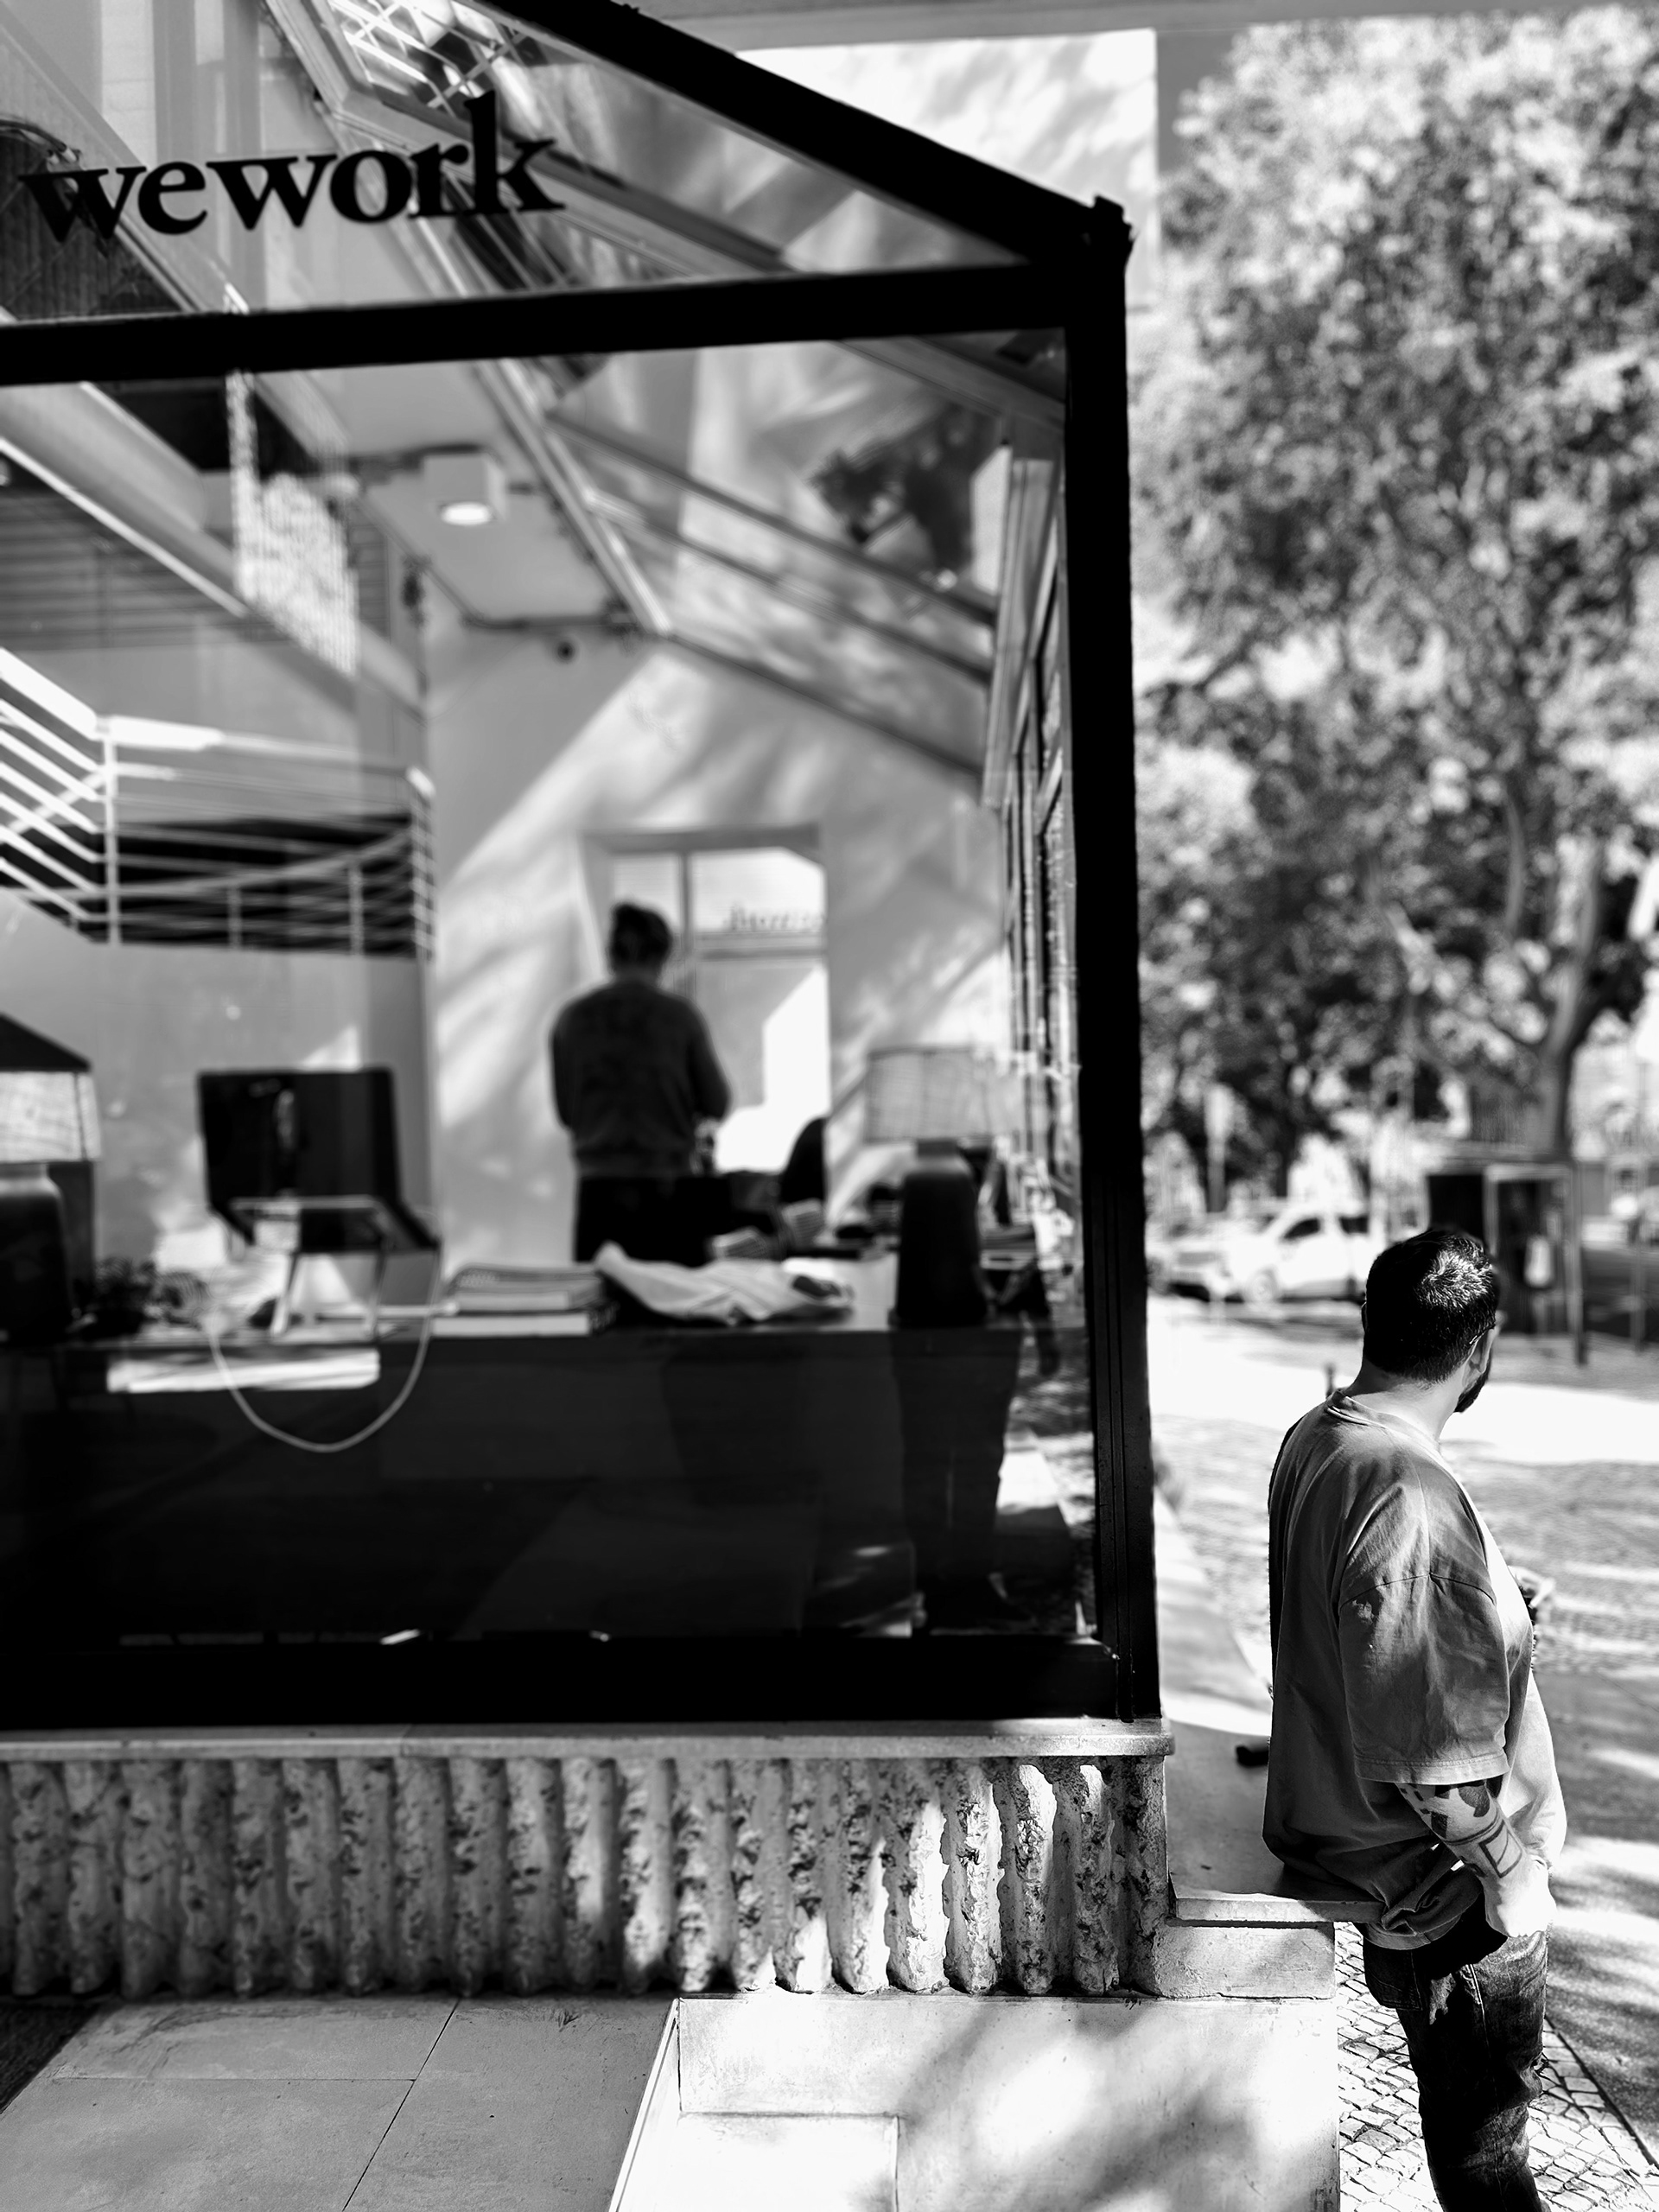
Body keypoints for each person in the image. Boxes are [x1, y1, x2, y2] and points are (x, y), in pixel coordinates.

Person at [1263, 1227, 1565, 2211]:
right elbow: (1435, 1769)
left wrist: (1493, 1602)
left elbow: (1356, 1613)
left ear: (1372, 1321)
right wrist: (1512, 1878)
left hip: (1399, 1879)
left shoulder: (1322, 1434)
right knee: (1489, 2174)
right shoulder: (1407, 1494)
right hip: (1451, 1902)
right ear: (1480, 1348)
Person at [551, 903, 732, 1264]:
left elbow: (567, 1113)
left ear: (610, 954)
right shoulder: (679, 1018)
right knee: (674, 1295)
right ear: (663, 956)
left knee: (601, 1296)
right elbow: (717, 1103)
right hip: (668, 1197)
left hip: (598, 1196)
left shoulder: (572, 1020)